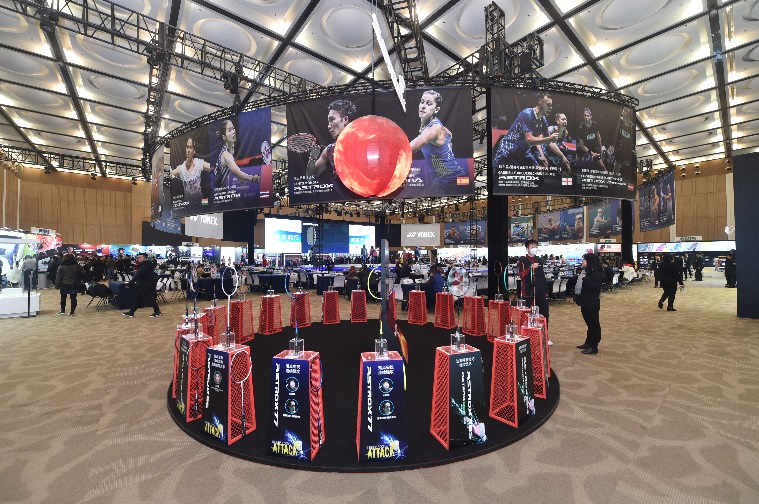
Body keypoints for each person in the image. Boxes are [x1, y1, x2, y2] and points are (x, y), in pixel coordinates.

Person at [409, 90, 468, 194]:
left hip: (450, 180)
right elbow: (449, 134)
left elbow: (409, 149)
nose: (423, 106)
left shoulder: (433, 129)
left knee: (418, 199)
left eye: (429, 104)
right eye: (422, 102)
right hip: (455, 177)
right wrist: (446, 145)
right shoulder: (436, 126)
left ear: (436, 109)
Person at [307, 99, 359, 200]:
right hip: (342, 200)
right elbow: (310, 176)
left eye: (332, 120)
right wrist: (312, 158)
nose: (329, 126)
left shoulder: (363, 141)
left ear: (345, 119)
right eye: (328, 121)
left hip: (366, 197)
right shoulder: (329, 150)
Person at [493, 92, 559, 168]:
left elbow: (550, 141)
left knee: (539, 171)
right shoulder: (527, 114)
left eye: (551, 105)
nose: (551, 108)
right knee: (494, 173)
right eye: (548, 104)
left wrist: (563, 157)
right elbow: (530, 140)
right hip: (507, 150)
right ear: (540, 103)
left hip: (523, 153)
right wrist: (549, 139)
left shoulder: (543, 120)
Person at [517, 239, 550, 339]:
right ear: (527, 248)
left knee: (544, 313)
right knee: (529, 315)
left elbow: (542, 276)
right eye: (532, 247)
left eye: (536, 246)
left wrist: (546, 290)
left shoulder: (539, 260)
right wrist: (531, 268)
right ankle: (528, 336)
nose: (534, 248)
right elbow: (520, 275)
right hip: (528, 292)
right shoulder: (522, 261)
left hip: (540, 291)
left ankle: (544, 336)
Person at [215, 120, 261, 188]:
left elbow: (233, 167)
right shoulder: (226, 154)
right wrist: (253, 178)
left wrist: (240, 177)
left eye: (233, 128)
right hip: (217, 189)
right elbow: (237, 172)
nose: (233, 132)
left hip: (222, 187)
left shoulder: (231, 149)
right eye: (229, 130)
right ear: (224, 137)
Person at [574, 253, 604, 354]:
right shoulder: (585, 272)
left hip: (591, 302)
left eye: (585, 259)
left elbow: (595, 287)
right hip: (585, 301)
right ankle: (588, 342)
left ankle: (593, 346)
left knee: (593, 324)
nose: (583, 261)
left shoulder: (596, 273)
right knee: (589, 324)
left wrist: (586, 279)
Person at [170, 137, 212, 207]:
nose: (188, 150)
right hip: (188, 207)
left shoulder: (199, 163)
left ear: (194, 151)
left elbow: (212, 168)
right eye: (187, 147)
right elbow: (170, 175)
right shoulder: (181, 168)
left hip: (201, 204)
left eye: (191, 148)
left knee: (208, 204)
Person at [123, 253, 161, 318]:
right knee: (138, 298)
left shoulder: (145, 266)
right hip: (143, 284)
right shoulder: (144, 265)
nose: (138, 259)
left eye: (140, 257)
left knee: (149, 298)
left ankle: (157, 311)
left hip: (146, 284)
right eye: (138, 257)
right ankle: (131, 312)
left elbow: (138, 275)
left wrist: (130, 284)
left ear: (144, 258)